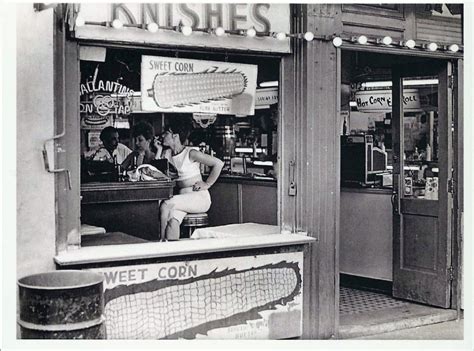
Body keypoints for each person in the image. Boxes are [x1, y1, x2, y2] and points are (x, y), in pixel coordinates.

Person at [156, 117, 224, 241]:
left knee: (166, 204)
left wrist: (207, 184)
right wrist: (159, 149)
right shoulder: (166, 154)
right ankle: (172, 253)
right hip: (183, 199)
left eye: (166, 133)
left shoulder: (190, 153)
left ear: (175, 136)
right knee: (172, 220)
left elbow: (218, 164)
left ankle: (161, 242)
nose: (163, 136)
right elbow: (156, 171)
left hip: (198, 198)